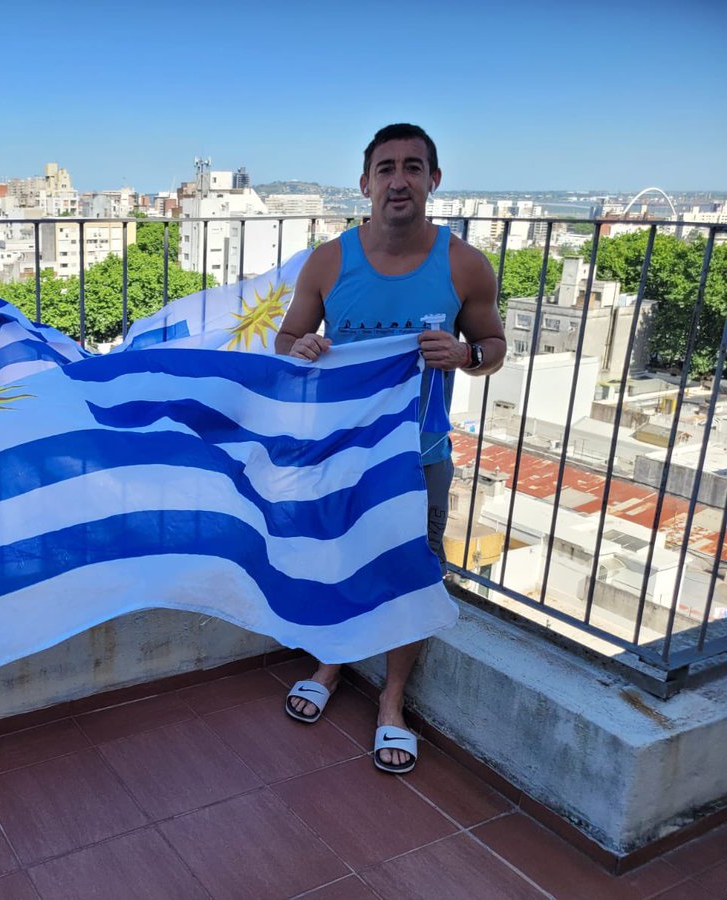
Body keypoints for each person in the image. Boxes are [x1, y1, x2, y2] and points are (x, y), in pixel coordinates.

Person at [275, 123, 506, 774]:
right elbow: (286, 338)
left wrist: (466, 354)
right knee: (342, 560)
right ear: (365, 182)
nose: (398, 179)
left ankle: (391, 703)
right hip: (344, 452)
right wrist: (302, 347)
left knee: (413, 575)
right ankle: (331, 663)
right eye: (385, 168)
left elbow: (494, 346)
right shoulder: (329, 261)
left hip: (422, 453)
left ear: (433, 180)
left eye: (412, 167)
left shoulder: (464, 264)